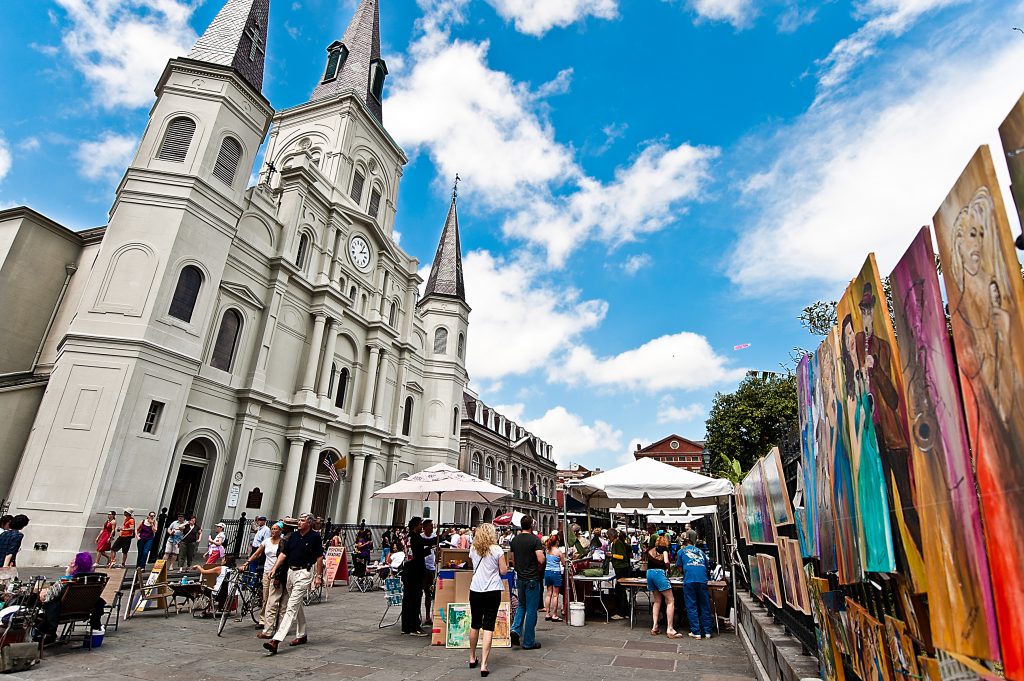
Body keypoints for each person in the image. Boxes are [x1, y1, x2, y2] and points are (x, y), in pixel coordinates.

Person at [263, 513, 324, 655]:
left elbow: (319, 556)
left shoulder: (315, 537)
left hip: (304, 573)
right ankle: (302, 634)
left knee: (291, 606)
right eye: (299, 521)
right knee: (296, 604)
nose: (299, 523)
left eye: (302, 521)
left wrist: (319, 576)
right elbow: (283, 554)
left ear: (309, 523)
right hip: (291, 572)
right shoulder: (294, 536)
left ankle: (276, 640)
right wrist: (274, 568)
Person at [35, 552, 106, 644]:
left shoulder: (67, 580)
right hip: (82, 611)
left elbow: (48, 597)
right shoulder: (93, 581)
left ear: (75, 566)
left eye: (72, 562)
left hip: (61, 612)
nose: (69, 564)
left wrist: (43, 593)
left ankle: (42, 634)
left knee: (37, 602)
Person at [469, 523, 509, 677]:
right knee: (488, 626)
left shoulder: (473, 549)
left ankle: (472, 657)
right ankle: (484, 664)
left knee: (475, 623)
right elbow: (504, 571)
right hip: (492, 590)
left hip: (476, 589)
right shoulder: (497, 550)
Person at [244, 521, 285, 638]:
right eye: (272, 529)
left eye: (276, 529)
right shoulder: (266, 541)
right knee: (265, 597)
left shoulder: (282, 543)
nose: (273, 531)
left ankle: (271, 622)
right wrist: (247, 563)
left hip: (276, 572)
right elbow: (257, 553)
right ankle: (263, 620)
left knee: (274, 599)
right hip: (267, 572)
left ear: (280, 531)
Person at [509, 515, 544, 650]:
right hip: (532, 579)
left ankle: (516, 629)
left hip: (521, 578)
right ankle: (528, 641)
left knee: (521, 606)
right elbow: (540, 559)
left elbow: (513, 559)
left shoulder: (515, 540)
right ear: (531, 525)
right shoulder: (535, 540)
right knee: (531, 610)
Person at [401, 517, 438, 636]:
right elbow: (420, 551)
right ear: (415, 526)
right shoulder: (416, 537)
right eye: (420, 524)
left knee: (407, 599)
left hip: (408, 570)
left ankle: (406, 626)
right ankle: (414, 627)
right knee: (415, 599)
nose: (422, 527)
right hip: (415, 571)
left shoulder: (408, 537)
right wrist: (438, 539)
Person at [677, 536, 714, 639]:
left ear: (684, 544)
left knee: (691, 606)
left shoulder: (681, 551)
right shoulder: (701, 551)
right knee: (705, 605)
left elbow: (680, 567)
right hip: (702, 580)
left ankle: (696, 631)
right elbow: (706, 566)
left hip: (689, 580)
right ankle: (707, 632)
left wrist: (684, 572)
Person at [647, 535, 682, 638]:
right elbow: (666, 561)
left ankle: (655, 627)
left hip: (649, 574)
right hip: (659, 573)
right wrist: (669, 569)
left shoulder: (651, 550)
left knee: (657, 601)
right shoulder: (665, 549)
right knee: (670, 600)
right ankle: (670, 629)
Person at [607, 528, 631, 621]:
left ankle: (621, 612)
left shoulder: (618, 543)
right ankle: (625, 612)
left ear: (612, 536)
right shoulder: (616, 543)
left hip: (621, 568)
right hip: (619, 568)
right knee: (621, 591)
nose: (609, 538)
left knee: (620, 591)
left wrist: (611, 555)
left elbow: (622, 556)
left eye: (609, 536)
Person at [543, 534, 564, 622]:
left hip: (547, 572)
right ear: (557, 542)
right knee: (555, 595)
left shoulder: (547, 550)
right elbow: (563, 563)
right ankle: (554, 615)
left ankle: (547, 613)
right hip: (556, 573)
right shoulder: (558, 552)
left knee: (548, 594)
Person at [422, 519, 437, 624]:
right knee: (419, 592)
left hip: (432, 568)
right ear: (424, 527)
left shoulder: (434, 537)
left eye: (432, 526)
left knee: (429, 593)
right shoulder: (421, 537)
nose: (432, 528)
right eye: (430, 526)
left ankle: (428, 616)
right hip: (422, 568)